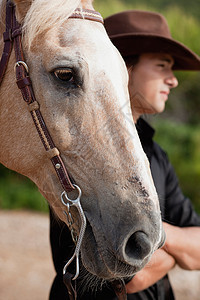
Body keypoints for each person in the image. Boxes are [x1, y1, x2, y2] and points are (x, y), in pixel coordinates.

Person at [49, 10, 200, 300]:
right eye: (162, 66)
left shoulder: (156, 153)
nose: (173, 80)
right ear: (124, 68)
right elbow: (128, 278)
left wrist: (160, 236)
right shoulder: (81, 151)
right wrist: (177, 248)